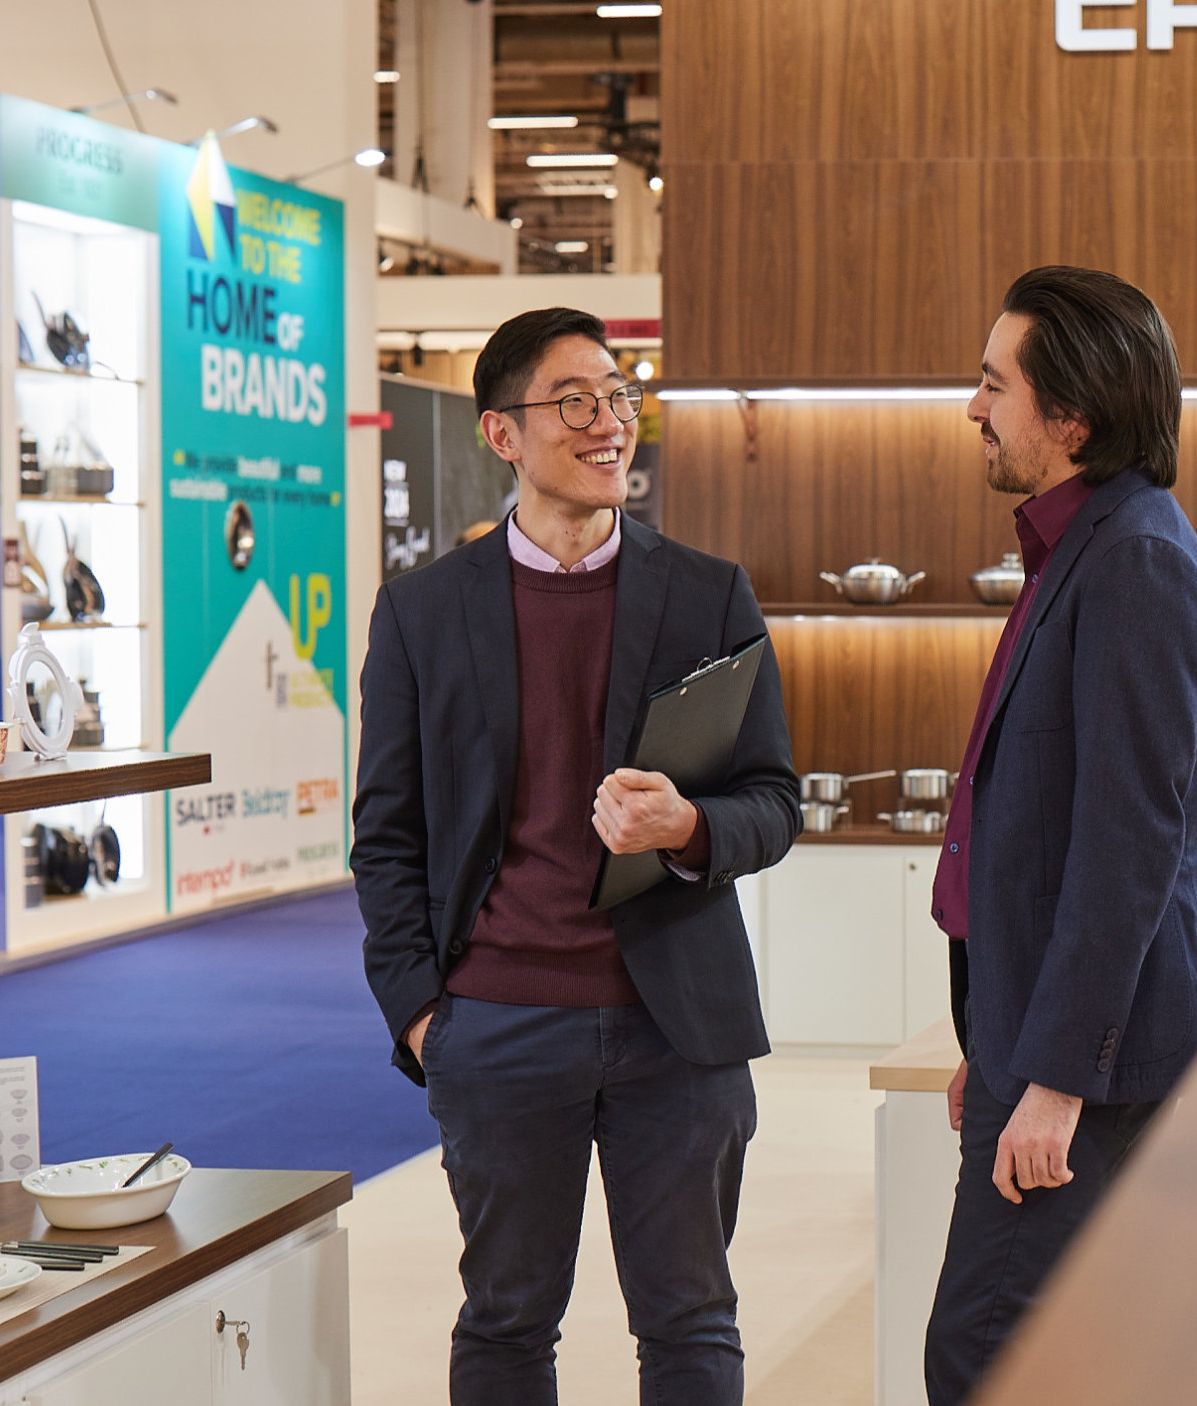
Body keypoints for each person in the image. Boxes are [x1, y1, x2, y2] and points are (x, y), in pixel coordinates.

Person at [353, 307, 800, 1406]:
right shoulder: (420, 613)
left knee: (692, 1320)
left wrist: (689, 827)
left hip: (676, 1028)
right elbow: (386, 833)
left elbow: (773, 801)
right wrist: (424, 1012)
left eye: (618, 396)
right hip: (496, 1024)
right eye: (574, 401)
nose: (607, 423)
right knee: (506, 1325)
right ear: (501, 434)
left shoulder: (707, 593)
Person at [923, 266, 1197, 1405]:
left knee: (984, 1353)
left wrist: (1053, 1073)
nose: (973, 408)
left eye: (993, 383)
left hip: (1084, 1070)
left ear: (1073, 416)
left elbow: (1126, 849)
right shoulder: (1085, 546)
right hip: (1035, 1038)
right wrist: (999, 1031)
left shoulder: (1135, 559)